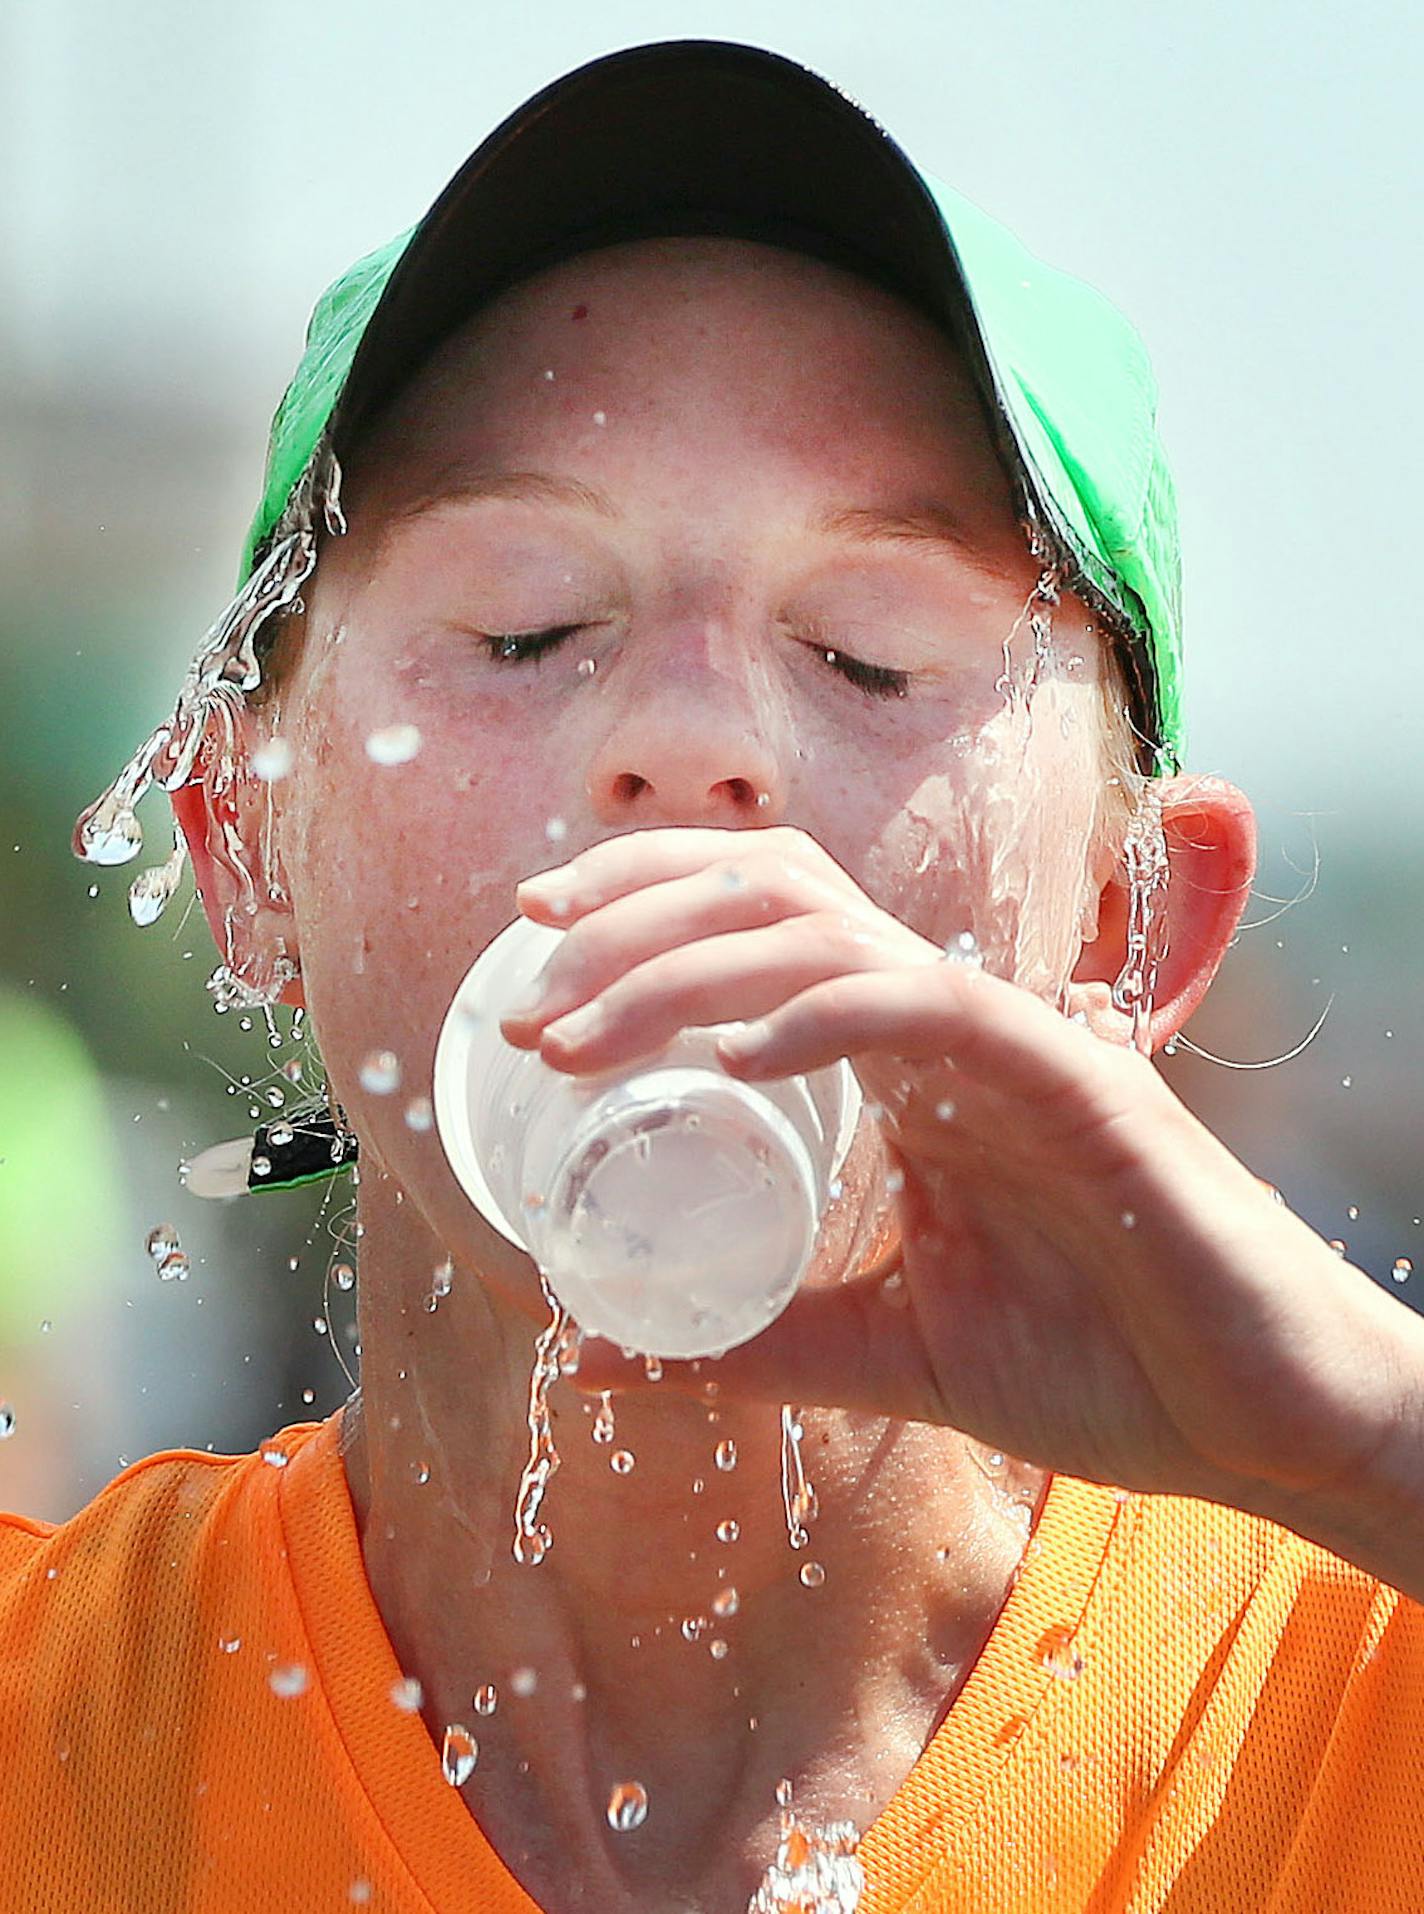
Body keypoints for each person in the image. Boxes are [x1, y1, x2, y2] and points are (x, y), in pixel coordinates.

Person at [5, 39, 1423, 1914]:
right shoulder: (52, 1727)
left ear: (1126, 923)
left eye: (866, 651)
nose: (687, 740)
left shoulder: (1343, 1701)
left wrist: (1361, 1429)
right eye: (525, 626)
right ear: (245, 847)